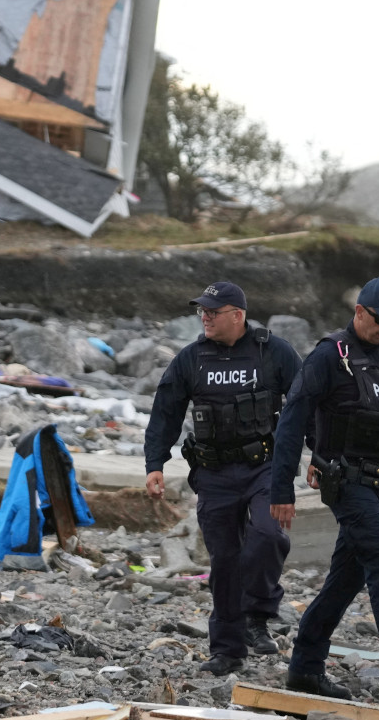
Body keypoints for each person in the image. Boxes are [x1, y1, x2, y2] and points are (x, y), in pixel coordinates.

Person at [269, 277, 379, 709]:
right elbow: (292, 420)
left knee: (345, 579)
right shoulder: (329, 355)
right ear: (359, 312)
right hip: (346, 482)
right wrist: (282, 489)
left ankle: (305, 668)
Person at [145, 281, 302, 676]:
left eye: (213, 312)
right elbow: (165, 410)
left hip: (264, 466)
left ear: (238, 315)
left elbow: (305, 406)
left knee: (268, 535)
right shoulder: (191, 358)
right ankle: (227, 650)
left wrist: (318, 454)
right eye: (202, 311)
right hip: (213, 472)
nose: (205, 317)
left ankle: (258, 612)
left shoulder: (274, 352)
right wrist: (155, 464)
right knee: (225, 561)